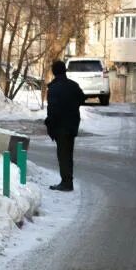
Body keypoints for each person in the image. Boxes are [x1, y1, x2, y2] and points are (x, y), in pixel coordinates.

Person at [44, 60, 85, 192]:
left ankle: (66, 183)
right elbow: (82, 98)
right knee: (68, 154)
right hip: (72, 124)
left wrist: (50, 124)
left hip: (60, 126)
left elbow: (52, 110)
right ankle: (67, 181)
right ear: (65, 71)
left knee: (63, 155)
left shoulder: (53, 88)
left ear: (54, 72)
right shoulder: (73, 85)